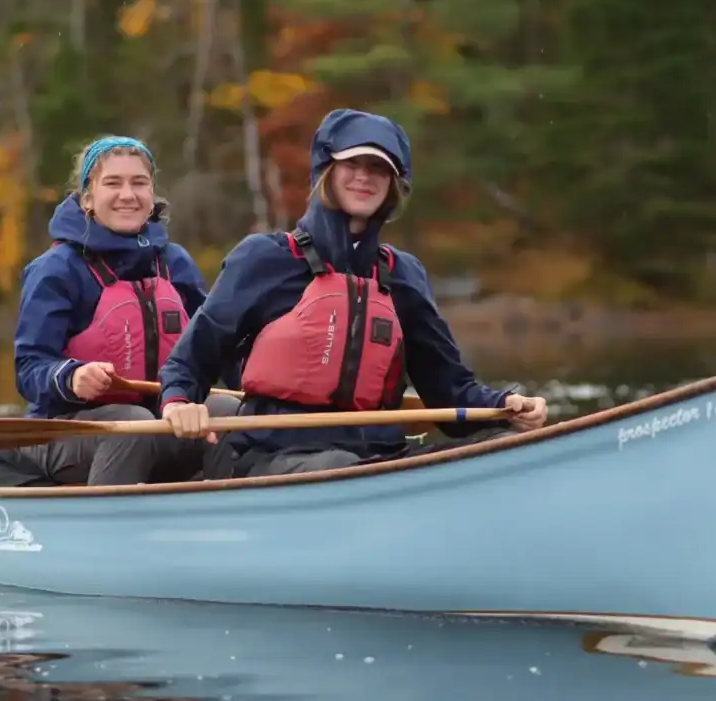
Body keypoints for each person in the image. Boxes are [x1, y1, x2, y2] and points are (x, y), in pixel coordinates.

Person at [156, 108, 549, 478]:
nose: (365, 176)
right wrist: (178, 403)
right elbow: (190, 362)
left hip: (380, 457)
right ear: (326, 170)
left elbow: (450, 395)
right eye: (353, 164)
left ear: (394, 184)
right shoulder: (263, 258)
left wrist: (504, 407)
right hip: (273, 458)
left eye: (379, 168)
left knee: (510, 447)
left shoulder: (403, 275)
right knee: (341, 465)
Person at [0, 136, 238, 488]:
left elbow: (214, 345)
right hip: (64, 433)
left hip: (157, 421)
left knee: (229, 413)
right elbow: (29, 370)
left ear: (152, 195)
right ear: (87, 198)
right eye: (113, 183)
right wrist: (71, 378)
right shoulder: (56, 269)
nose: (128, 194)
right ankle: (103, 528)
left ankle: (220, 517)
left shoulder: (175, 263)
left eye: (139, 183)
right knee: (129, 423)